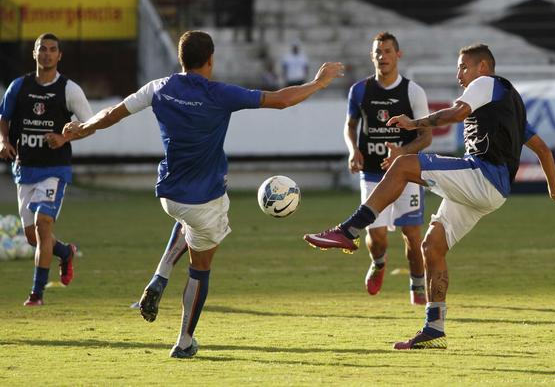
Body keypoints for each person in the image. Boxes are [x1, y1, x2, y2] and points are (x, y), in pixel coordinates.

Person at [63, 30, 344, 359]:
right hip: (204, 200)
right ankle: (184, 340)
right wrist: (318, 83)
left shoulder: (159, 88)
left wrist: (83, 128)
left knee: (186, 223)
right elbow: (280, 100)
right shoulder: (219, 93)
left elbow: (113, 112)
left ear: (181, 59)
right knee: (201, 268)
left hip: (169, 195)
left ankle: (159, 276)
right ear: (211, 59)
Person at [303, 43, 555, 350]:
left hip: (482, 177)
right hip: (491, 192)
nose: (459, 73)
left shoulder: (486, 84)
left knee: (405, 164)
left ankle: (349, 229)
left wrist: (413, 122)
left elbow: (457, 114)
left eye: (463, 67)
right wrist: (553, 188)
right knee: (432, 245)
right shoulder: (507, 103)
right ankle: (435, 328)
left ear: (483, 67)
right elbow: (543, 149)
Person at [0, 33, 90, 306]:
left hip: (55, 168)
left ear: (59, 56)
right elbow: (3, 118)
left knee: (43, 224)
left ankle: (36, 294)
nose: (47, 54)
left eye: (53, 50)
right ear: (35, 54)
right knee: (33, 237)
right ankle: (65, 252)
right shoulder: (18, 86)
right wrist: (3, 141)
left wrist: (64, 138)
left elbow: (90, 123)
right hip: (25, 168)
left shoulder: (69, 89)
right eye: (43, 49)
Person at [343, 32, 431, 303]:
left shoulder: (413, 92)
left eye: (388, 51)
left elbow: (425, 136)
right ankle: (379, 263)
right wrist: (352, 149)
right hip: (372, 172)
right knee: (376, 236)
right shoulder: (359, 90)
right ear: (372, 57)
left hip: (407, 173)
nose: (383, 56)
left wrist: (401, 154)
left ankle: (417, 286)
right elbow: (350, 125)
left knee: (413, 236)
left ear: (398, 55)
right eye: (378, 52)